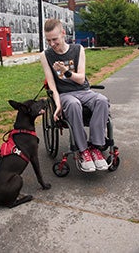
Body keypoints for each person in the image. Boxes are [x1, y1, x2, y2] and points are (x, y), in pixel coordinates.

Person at [40, 18, 109, 172]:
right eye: (48, 40)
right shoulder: (46, 55)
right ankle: (83, 149)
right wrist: (57, 104)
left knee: (102, 100)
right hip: (65, 94)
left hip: (83, 90)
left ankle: (96, 146)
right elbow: (52, 84)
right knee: (72, 104)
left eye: (55, 39)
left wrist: (66, 72)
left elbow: (81, 79)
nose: (52, 44)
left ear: (63, 33)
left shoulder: (78, 49)